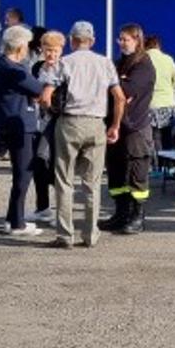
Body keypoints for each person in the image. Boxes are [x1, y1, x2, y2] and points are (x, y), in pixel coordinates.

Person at [49, 21, 125, 249]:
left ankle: (65, 235)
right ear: (92, 41)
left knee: (64, 180)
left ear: (72, 40)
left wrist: (51, 110)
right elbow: (119, 97)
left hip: (70, 122)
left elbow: (46, 95)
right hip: (96, 124)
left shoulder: (65, 62)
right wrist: (115, 126)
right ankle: (90, 235)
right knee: (92, 183)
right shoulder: (105, 63)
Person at [0, 25, 49, 235]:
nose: (28, 49)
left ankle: (12, 218)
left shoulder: (3, 63)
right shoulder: (14, 69)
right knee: (24, 174)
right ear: (19, 47)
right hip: (19, 125)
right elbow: (38, 89)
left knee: (21, 173)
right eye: (26, 45)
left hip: (11, 122)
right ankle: (17, 223)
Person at [103, 23, 157, 235]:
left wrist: (115, 84)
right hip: (116, 126)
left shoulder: (143, 64)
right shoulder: (121, 63)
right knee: (116, 172)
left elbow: (127, 90)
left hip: (136, 127)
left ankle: (137, 216)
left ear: (137, 40)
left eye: (126, 39)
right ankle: (120, 213)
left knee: (137, 172)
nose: (121, 43)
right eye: (120, 39)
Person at [28, 30, 66, 224]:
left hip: (57, 121)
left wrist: (49, 103)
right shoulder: (36, 67)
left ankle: (61, 212)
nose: (51, 54)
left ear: (61, 50)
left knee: (56, 166)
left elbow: (67, 97)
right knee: (38, 164)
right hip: (37, 121)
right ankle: (42, 207)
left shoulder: (65, 68)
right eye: (47, 50)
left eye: (55, 50)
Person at [146, 35, 175, 149]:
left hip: (150, 104)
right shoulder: (168, 59)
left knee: (154, 137)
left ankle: (155, 164)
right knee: (167, 136)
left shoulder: (143, 59)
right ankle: (167, 163)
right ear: (158, 45)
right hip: (168, 103)